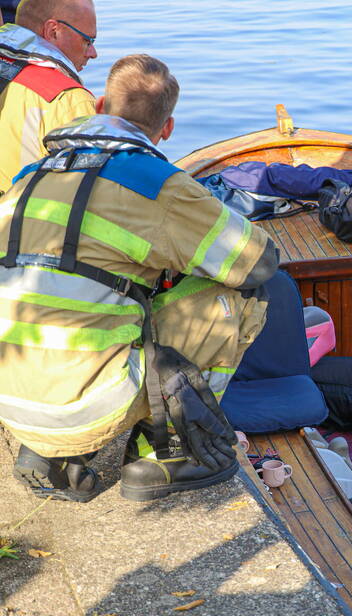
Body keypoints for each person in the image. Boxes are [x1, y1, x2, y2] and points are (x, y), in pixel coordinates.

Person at [0, 54, 278, 503]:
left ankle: (47, 449)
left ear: (99, 105)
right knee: (239, 294)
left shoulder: (28, 176)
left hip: (10, 399)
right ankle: (166, 452)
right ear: (167, 129)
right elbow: (258, 262)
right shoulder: (155, 183)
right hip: (82, 407)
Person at [0, 0, 99, 192]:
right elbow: (91, 188)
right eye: (87, 41)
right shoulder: (71, 100)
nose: (93, 53)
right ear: (53, 31)